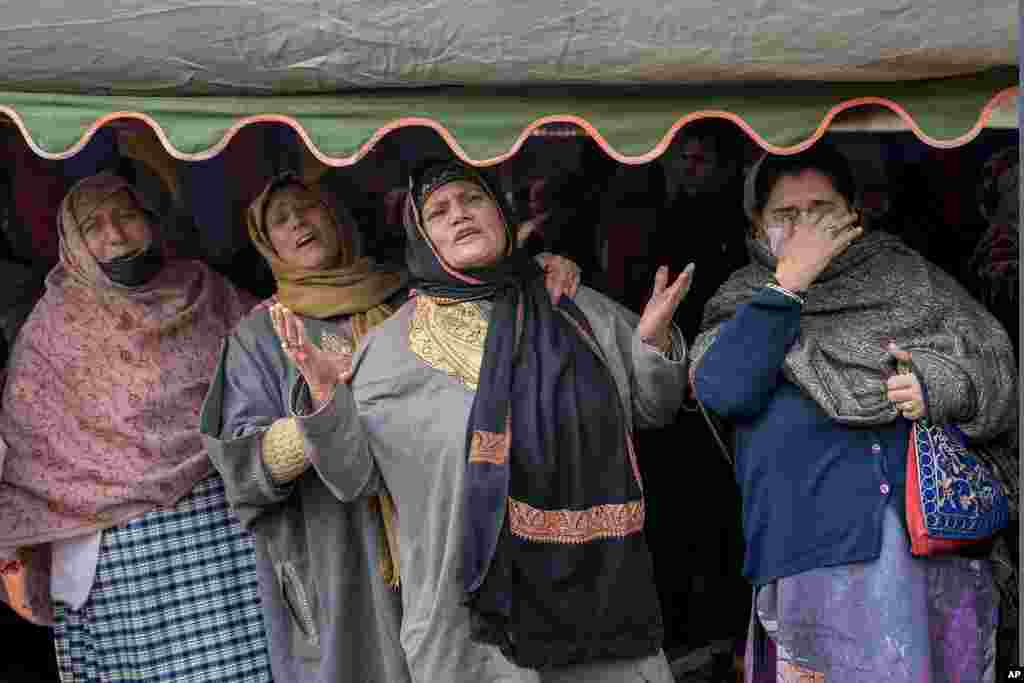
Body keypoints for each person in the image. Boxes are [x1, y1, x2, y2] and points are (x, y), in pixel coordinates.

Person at [260, 160, 691, 682]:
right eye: (438, 212)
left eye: (472, 200)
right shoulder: (392, 348)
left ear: (501, 213)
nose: (459, 216)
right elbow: (353, 478)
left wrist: (653, 345)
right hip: (469, 628)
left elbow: (654, 408)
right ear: (421, 236)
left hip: (598, 605)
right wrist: (326, 395)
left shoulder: (573, 304)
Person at [199, 171, 584, 683]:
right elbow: (244, 467)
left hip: (440, 525)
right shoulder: (260, 336)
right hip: (341, 545)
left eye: (307, 209)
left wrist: (539, 270)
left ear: (336, 216)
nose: (298, 225)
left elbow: (489, 309)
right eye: (280, 220)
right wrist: (324, 412)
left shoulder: (413, 292)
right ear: (266, 244)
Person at [690, 143, 1018, 682]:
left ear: (854, 215)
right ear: (756, 224)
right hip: (808, 546)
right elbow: (725, 389)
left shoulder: (909, 279)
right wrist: (788, 286)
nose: (804, 227)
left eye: (820, 211)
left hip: (925, 549)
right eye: (785, 215)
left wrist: (935, 384)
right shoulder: (746, 296)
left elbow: (994, 368)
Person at [0, 172, 270, 682]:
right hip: (126, 559)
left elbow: (271, 370)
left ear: (149, 219)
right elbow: (29, 456)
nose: (116, 234)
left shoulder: (203, 291)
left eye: (125, 216)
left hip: (226, 532)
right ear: (74, 243)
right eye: (94, 226)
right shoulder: (52, 330)